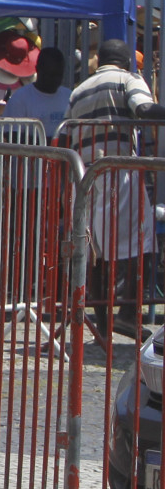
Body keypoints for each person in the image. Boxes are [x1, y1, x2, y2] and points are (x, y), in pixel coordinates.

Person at [68, 38, 163, 338]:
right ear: (128, 62)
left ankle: (102, 321)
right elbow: (144, 108)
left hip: (84, 175)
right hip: (118, 172)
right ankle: (127, 314)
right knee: (142, 243)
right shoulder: (127, 79)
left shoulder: (78, 90)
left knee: (95, 250)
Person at [6, 46, 72, 138]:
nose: (55, 79)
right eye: (50, 75)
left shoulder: (69, 97)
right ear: (37, 69)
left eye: (58, 75)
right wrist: (48, 143)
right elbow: (12, 136)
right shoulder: (20, 99)